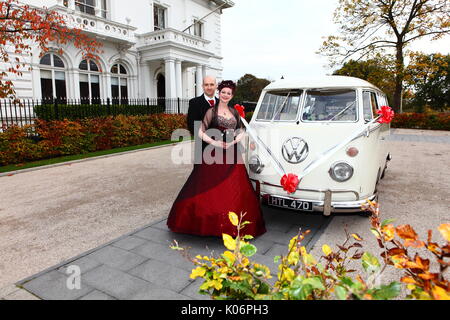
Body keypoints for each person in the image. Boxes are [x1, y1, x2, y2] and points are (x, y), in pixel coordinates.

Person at [167, 80, 266, 238]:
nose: (226, 95)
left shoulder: (234, 113)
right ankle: (208, 222)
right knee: (208, 187)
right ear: (219, 93)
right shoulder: (211, 112)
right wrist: (214, 142)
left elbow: (241, 130)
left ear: (232, 95)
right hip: (214, 153)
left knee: (235, 188)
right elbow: (200, 132)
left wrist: (234, 140)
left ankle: (234, 224)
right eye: (223, 92)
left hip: (232, 154)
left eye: (229, 93)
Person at [187, 76, 219, 165]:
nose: (209, 87)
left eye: (211, 84)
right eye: (206, 85)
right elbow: (192, 126)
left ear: (216, 86)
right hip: (202, 147)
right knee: (201, 177)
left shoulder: (222, 103)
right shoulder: (194, 103)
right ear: (202, 86)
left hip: (220, 148)